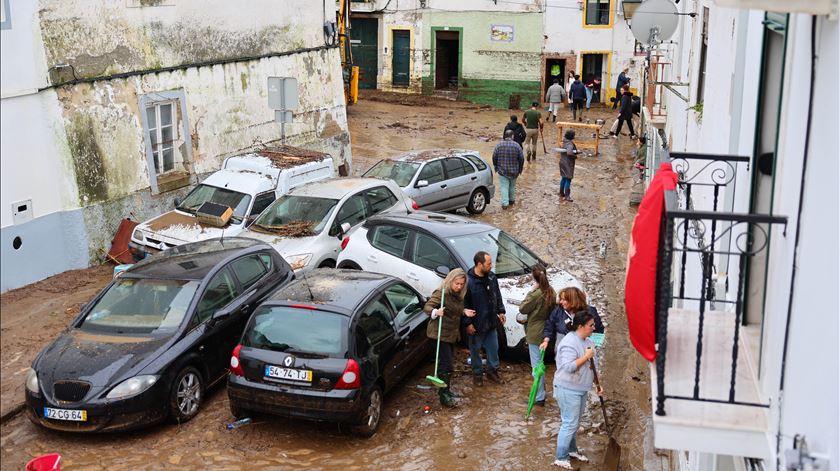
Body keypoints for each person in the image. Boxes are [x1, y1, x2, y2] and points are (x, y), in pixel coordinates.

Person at [542, 311, 603, 469]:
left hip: (581, 388)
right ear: (581, 326)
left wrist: (597, 384)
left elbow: (593, 365)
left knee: (574, 422)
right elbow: (568, 367)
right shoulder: (569, 342)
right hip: (567, 388)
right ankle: (560, 457)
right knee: (569, 423)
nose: (594, 327)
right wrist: (586, 356)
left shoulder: (588, 341)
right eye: (591, 325)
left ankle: (572, 450)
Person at [423, 268, 468, 407]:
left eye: (461, 284)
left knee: (448, 364)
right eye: (457, 284)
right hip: (440, 334)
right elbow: (427, 307)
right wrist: (436, 311)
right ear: (450, 281)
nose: (459, 287)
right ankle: (444, 396)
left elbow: (454, 308)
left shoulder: (458, 294)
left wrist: (463, 311)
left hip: (451, 334)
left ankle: (446, 391)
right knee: (446, 365)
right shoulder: (441, 293)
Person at [463, 251, 506, 386]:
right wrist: (467, 323)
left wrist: (501, 310)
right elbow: (464, 305)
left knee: (494, 349)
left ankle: (493, 371)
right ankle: (477, 375)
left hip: (491, 322)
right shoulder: (468, 282)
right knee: (475, 351)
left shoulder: (492, 277)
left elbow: (497, 295)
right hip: (476, 324)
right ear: (479, 264)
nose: (491, 266)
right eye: (488, 263)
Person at [518, 265, 556, 407]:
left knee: (536, 367)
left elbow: (522, 308)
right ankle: (541, 394)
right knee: (541, 363)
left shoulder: (536, 294)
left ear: (534, 278)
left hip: (535, 332)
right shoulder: (551, 292)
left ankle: (539, 397)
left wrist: (530, 291)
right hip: (547, 331)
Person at [541, 287, 605, 349]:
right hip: (563, 349)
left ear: (572, 300)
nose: (561, 302)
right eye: (560, 299)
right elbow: (549, 325)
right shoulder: (558, 310)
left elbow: (598, 331)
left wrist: (590, 347)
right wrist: (546, 340)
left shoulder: (590, 312)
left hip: (584, 350)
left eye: (564, 299)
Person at [492, 130, 525, 209]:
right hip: (514, 171)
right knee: (512, 186)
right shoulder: (517, 145)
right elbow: (521, 159)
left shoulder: (499, 145)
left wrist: (496, 166)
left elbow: (494, 157)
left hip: (502, 170)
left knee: (504, 187)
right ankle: (512, 201)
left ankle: (505, 204)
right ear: (512, 136)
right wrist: (520, 169)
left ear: (505, 136)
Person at [559, 129, 579, 202]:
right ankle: (567, 196)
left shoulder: (564, 141)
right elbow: (569, 153)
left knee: (563, 178)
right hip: (568, 163)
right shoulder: (570, 144)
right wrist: (575, 156)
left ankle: (561, 193)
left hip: (562, 162)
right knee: (568, 179)